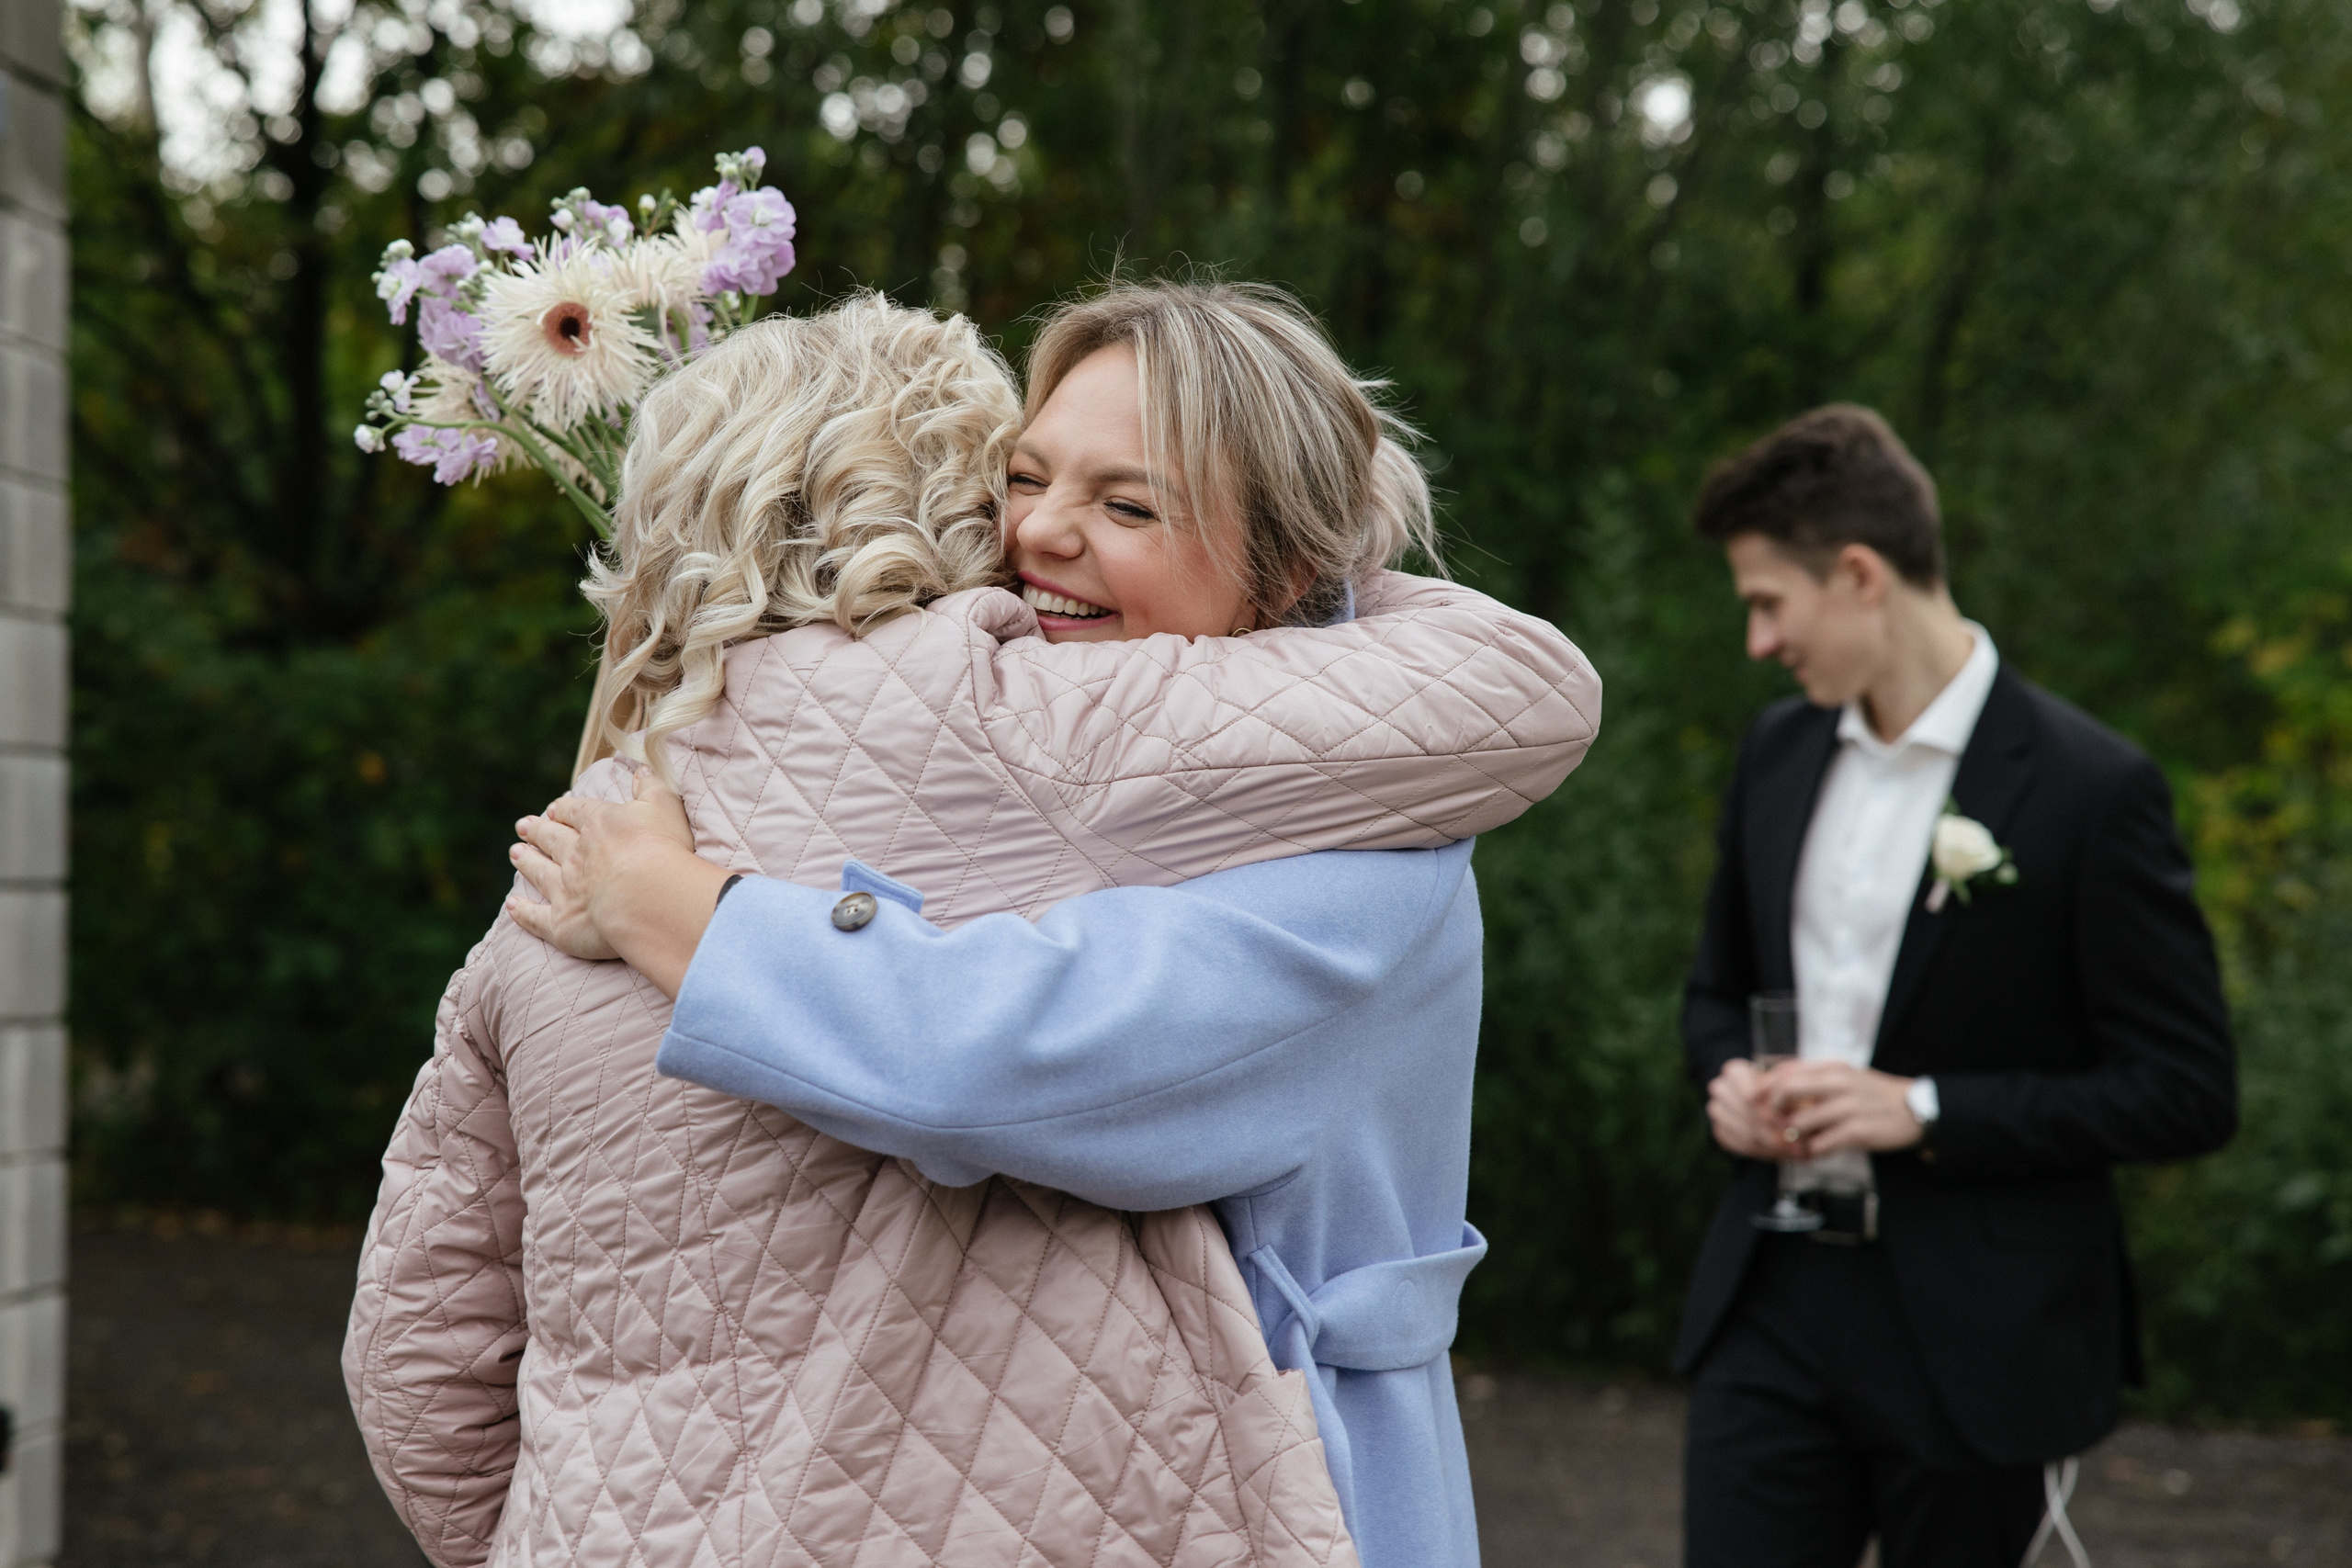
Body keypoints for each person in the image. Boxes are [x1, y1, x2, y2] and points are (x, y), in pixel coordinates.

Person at [352, 284, 1600, 1568]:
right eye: (1023, 476)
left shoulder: (1363, 855)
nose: (1044, 531)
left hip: (1314, 1468)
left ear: (1290, 569)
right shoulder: (991, 752)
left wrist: (694, 915)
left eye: (1128, 503)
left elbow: (1017, 1047)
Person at [1673, 404, 2236, 1567]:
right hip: (1769, 1303)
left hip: (1980, 1336)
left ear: (1860, 574)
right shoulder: (1775, 757)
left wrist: (1922, 1110)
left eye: (1768, 603)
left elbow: (2185, 1089)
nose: (1759, 643)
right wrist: (1727, 1081)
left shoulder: (2092, 790)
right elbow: (1712, 995)